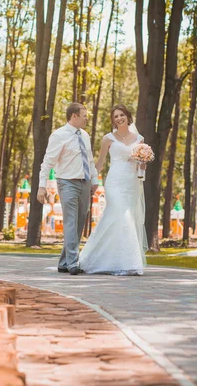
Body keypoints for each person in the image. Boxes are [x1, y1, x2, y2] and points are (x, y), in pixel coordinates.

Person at [78, 104, 147, 275]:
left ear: (127, 116)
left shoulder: (139, 139)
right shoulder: (108, 138)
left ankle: (119, 260)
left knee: (123, 218)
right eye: (115, 116)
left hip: (131, 184)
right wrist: (92, 180)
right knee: (123, 217)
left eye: (121, 115)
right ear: (113, 120)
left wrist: (143, 163)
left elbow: (140, 166)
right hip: (114, 183)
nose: (119, 118)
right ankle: (128, 262)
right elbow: (100, 162)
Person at [37, 102, 98, 275]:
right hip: (67, 182)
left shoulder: (85, 135)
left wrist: (94, 180)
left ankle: (64, 262)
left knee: (79, 223)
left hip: (85, 183)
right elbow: (47, 162)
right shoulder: (59, 136)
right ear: (74, 116)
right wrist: (42, 186)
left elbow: (90, 160)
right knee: (71, 222)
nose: (86, 118)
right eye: (84, 115)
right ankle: (73, 262)